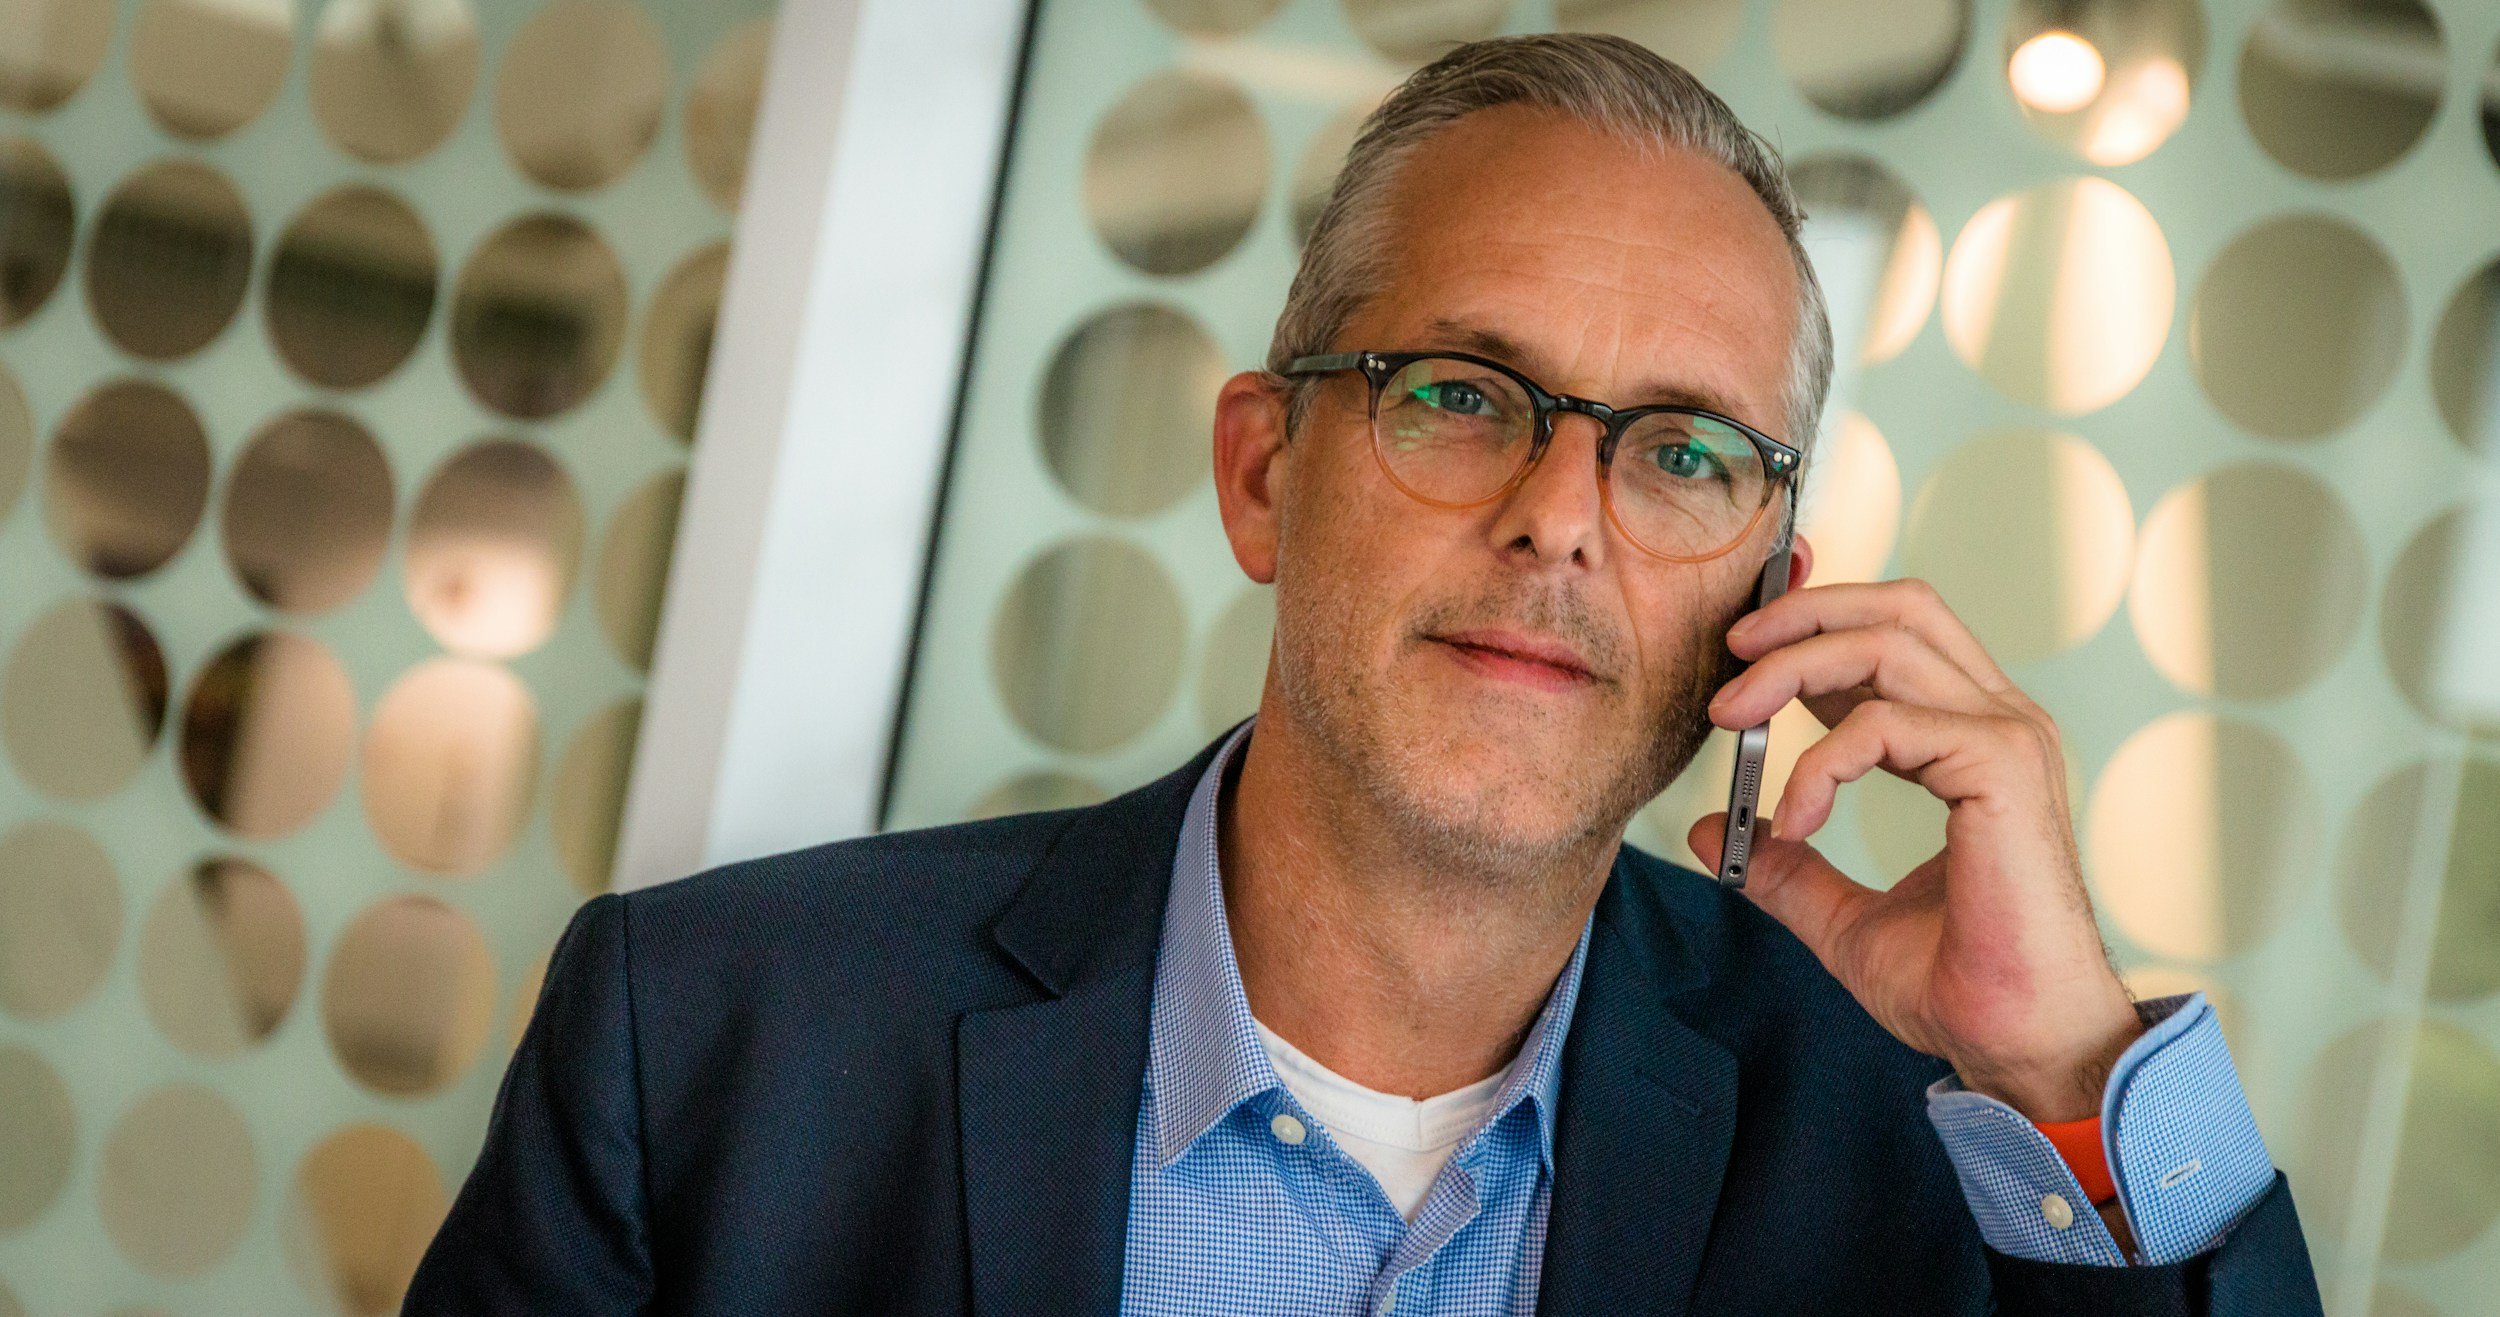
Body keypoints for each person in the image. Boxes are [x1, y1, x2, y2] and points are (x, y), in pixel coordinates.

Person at [404, 33, 2323, 1316]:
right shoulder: (718, 1045)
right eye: (1464, 397)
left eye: (1677, 454)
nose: (1561, 521)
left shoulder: (1937, 1158)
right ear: (1263, 470)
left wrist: (2065, 1068)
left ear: (1770, 592)